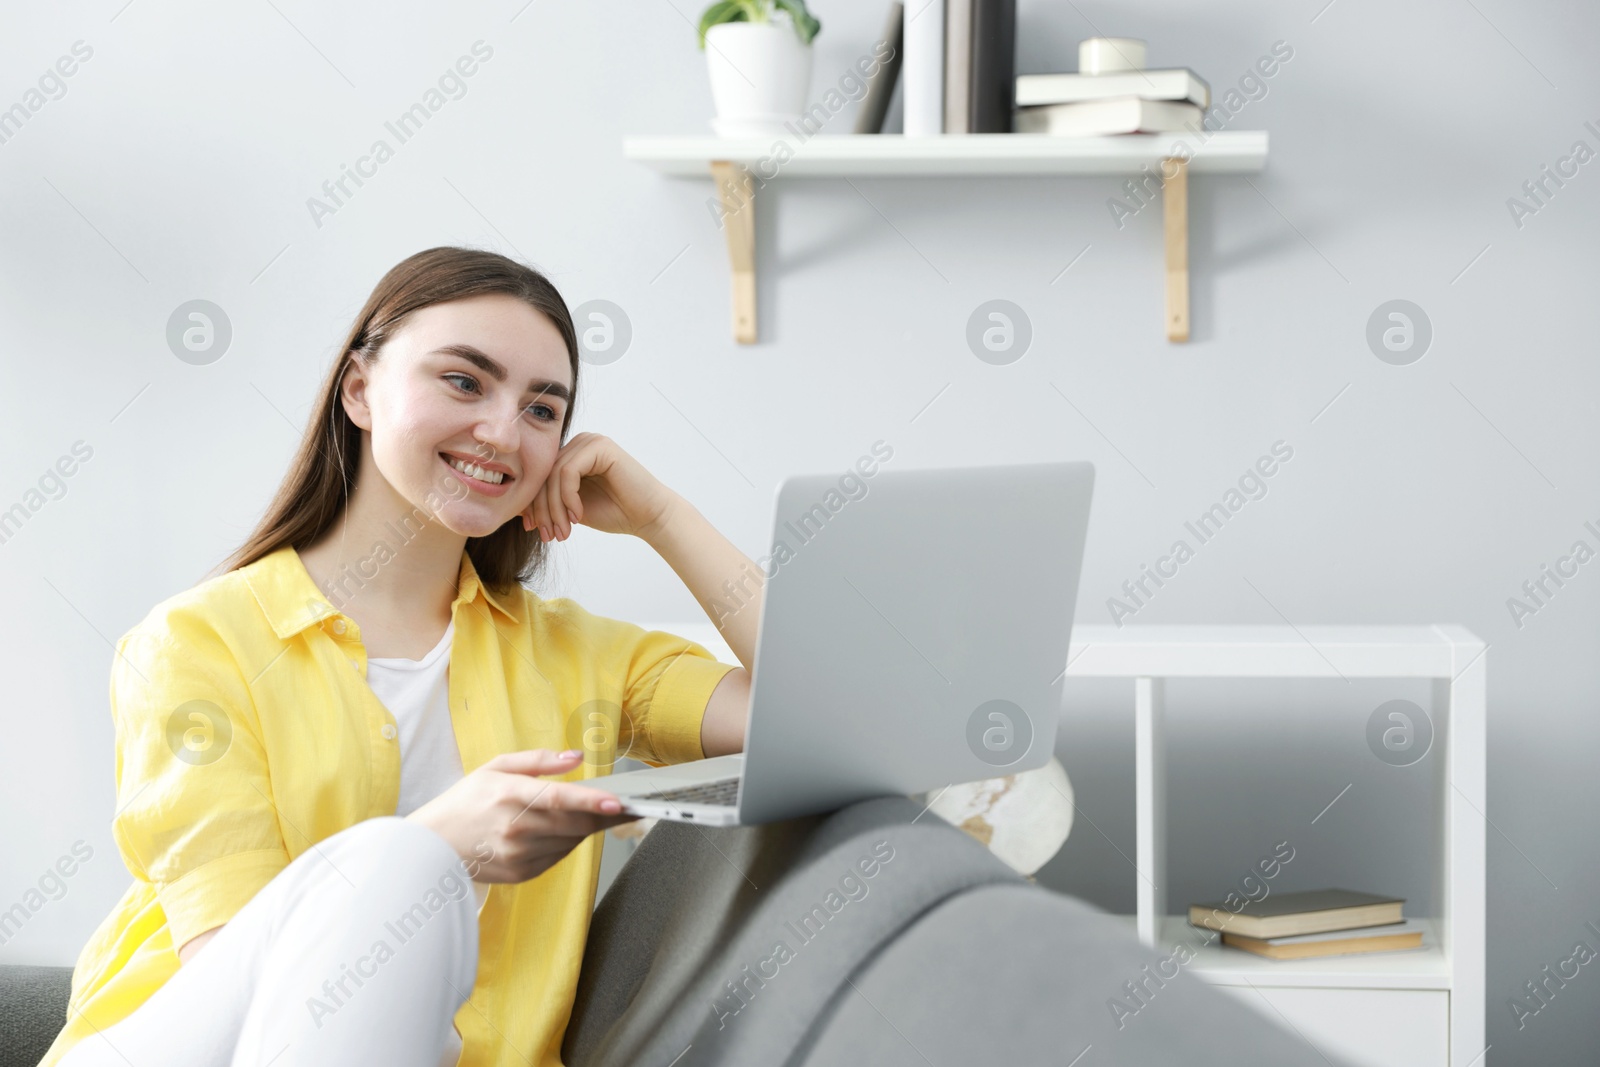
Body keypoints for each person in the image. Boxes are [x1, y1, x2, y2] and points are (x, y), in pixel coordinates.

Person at [41, 246, 762, 1067]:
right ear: (360, 390)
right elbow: (236, 971)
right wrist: (436, 846)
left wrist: (662, 515)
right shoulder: (196, 643)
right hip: (194, 1042)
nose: (502, 430)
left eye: (541, 409)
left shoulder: (581, 655)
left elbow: (830, 718)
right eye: (464, 380)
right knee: (399, 857)